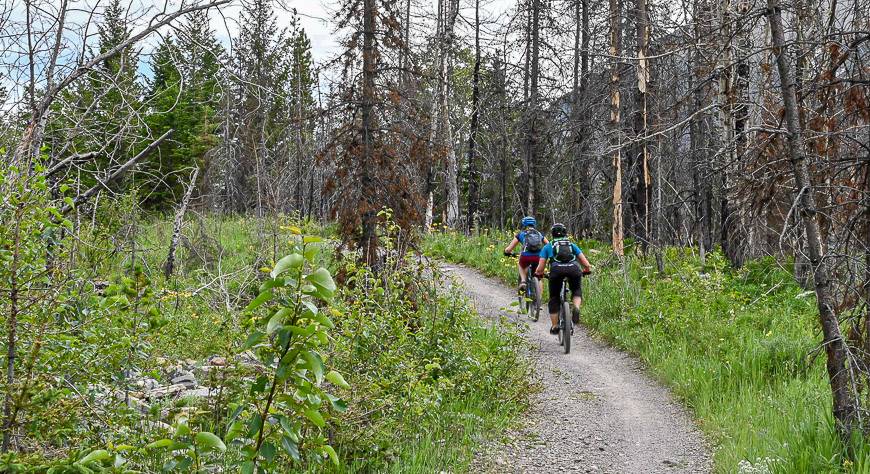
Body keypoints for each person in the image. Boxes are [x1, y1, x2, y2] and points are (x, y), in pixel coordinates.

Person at [534, 223, 592, 334]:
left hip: (556, 270)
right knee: (576, 290)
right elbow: (586, 264)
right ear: (565, 233)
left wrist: (538, 274)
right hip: (574, 269)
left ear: (552, 234)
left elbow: (540, 267)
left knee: (554, 297)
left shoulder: (548, 246)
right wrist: (586, 270)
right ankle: (576, 307)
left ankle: (555, 326)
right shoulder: (571, 245)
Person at [503, 216, 547, 303]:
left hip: (525, 256)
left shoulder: (521, 234)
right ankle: (539, 300)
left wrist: (506, 252)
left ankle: (523, 281)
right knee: (539, 278)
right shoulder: (539, 234)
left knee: (521, 264)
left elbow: (509, 249)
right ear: (534, 224)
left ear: (524, 224)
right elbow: (549, 245)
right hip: (538, 257)